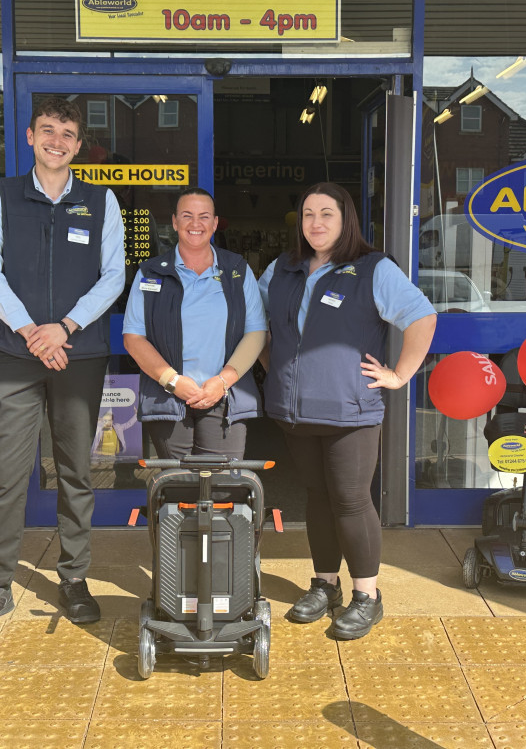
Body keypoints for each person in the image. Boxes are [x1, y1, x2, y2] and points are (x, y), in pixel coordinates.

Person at [259, 182, 437, 640]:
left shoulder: (372, 268)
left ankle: (367, 596)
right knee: (317, 498)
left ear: (345, 220)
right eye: (308, 215)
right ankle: (324, 584)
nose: (315, 223)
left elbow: (422, 316)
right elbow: (257, 326)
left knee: (351, 499)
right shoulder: (282, 268)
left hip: (350, 410)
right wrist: (274, 367)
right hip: (296, 411)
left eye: (326, 214)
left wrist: (399, 375)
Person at [0, 97, 126, 622]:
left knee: (76, 470)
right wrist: (31, 332)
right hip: (15, 354)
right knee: (10, 472)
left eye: (67, 133)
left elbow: (113, 278)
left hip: (78, 352)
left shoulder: (102, 201)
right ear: (31, 136)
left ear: (79, 145)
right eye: (47, 130)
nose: (56, 141)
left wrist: (63, 329)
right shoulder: (0, 194)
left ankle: (75, 578)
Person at [123, 187, 266, 459]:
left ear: (214, 223)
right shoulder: (150, 272)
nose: (195, 224)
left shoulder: (237, 270)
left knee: (223, 490)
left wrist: (223, 381)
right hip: (169, 397)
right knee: (177, 489)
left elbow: (256, 332)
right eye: (187, 216)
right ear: (174, 222)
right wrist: (173, 381)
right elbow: (133, 338)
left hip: (224, 396)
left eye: (204, 216)